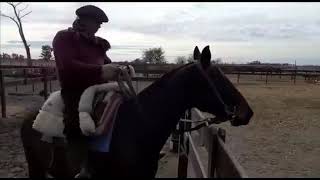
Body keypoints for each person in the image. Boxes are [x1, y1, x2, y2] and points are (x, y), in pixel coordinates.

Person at [52, 5, 120, 176]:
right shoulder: (64, 38)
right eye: (96, 22)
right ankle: (79, 164)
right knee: (77, 122)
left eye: (100, 24)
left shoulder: (98, 45)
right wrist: (100, 71)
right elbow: (67, 65)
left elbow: (106, 63)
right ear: (85, 21)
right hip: (75, 90)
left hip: (98, 89)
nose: (99, 26)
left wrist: (119, 69)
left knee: (122, 107)